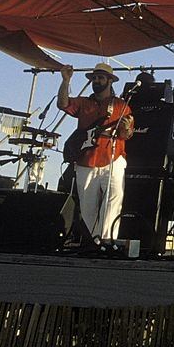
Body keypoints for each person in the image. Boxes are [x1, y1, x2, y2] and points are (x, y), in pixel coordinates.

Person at [58, 63, 135, 242]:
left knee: (113, 202)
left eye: (101, 78)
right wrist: (65, 80)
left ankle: (107, 242)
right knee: (87, 207)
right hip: (86, 161)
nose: (97, 81)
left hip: (113, 159)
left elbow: (127, 134)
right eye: (94, 78)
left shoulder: (121, 105)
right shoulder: (84, 102)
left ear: (109, 81)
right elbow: (63, 104)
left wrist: (125, 129)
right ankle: (94, 242)